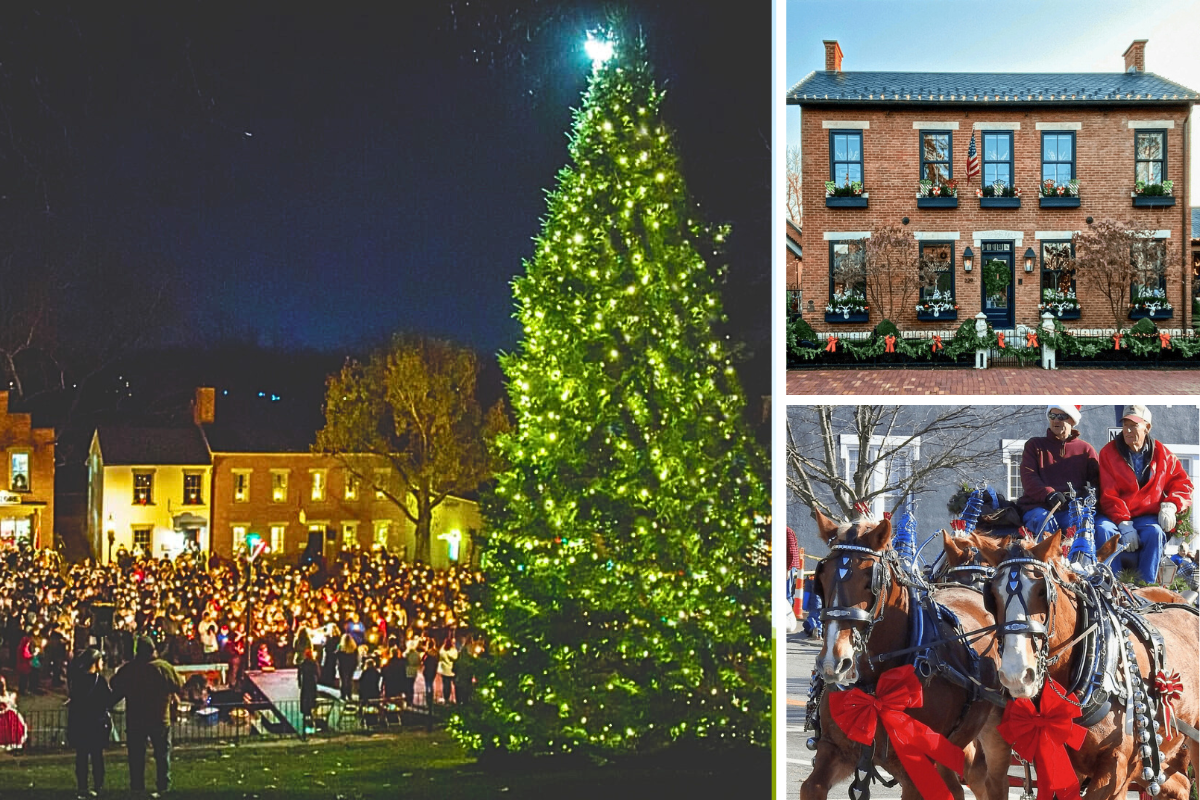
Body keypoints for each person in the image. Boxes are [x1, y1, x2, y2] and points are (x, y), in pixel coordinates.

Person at [1097, 405, 1194, 584]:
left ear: (1147, 427)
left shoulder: (1163, 454)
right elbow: (1108, 494)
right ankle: (1114, 586)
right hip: (1114, 516)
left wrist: (1170, 506)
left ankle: (1145, 589)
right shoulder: (1108, 453)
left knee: (1155, 532)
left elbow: (1183, 484)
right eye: (1125, 425)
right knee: (1103, 530)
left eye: (1133, 425)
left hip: (1145, 517)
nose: (1127, 430)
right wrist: (1124, 524)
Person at [109, 635, 184, 797]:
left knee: (136, 756)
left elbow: (114, 684)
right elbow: (178, 684)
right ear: (153, 650)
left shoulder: (130, 669)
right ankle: (163, 786)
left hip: (136, 719)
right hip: (159, 718)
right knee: (162, 755)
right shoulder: (164, 668)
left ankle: (137, 787)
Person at [1017, 403, 1099, 536]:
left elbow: (1097, 482)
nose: (1055, 420)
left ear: (1072, 420)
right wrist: (1049, 494)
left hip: (1071, 509)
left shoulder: (1085, 450)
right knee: (1045, 520)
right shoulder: (1034, 445)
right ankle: (1047, 557)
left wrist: (1085, 497)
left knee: (1080, 523)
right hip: (1037, 508)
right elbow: (1028, 477)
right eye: (1052, 415)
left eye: (1061, 416)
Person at [67, 649, 112, 797]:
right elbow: (107, 701)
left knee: (81, 757)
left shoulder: (77, 680)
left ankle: (82, 786)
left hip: (81, 723)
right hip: (95, 724)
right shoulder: (99, 681)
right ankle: (98, 785)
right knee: (97, 757)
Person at [297, 648, 320, 734]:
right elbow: (317, 673)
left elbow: (299, 674)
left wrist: (299, 683)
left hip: (305, 682)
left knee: (305, 697)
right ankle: (312, 711)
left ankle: (305, 712)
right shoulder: (314, 663)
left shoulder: (303, 663)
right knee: (312, 697)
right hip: (312, 682)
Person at [335, 634, 358, 703]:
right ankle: (349, 694)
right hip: (350, 666)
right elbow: (356, 659)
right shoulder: (354, 648)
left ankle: (343, 695)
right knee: (349, 680)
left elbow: (337, 656)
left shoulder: (340, 647)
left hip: (342, 666)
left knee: (343, 681)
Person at [437, 634, 458, 704]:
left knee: (445, 685)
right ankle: (455, 697)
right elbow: (456, 658)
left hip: (444, 670)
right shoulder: (453, 651)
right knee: (453, 684)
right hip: (451, 670)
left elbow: (440, 656)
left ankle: (446, 698)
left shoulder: (442, 650)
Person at [403, 638, 422, 707]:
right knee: (411, 686)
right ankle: (411, 700)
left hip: (406, 672)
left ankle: (407, 700)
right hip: (413, 672)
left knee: (406, 687)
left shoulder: (406, 654)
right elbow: (419, 662)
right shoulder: (417, 654)